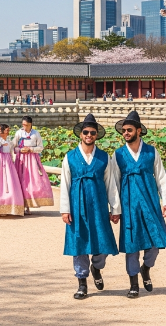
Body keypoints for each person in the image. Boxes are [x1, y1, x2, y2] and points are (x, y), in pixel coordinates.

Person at [109, 111, 166, 298]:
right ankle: (134, 284)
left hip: (150, 202)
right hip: (129, 205)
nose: (125, 133)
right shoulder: (118, 155)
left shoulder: (151, 152)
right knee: (132, 245)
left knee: (155, 242)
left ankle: (146, 267)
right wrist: (115, 208)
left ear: (139, 131)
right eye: (123, 130)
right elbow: (114, 183)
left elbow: (161, 177)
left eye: (129, 130)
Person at [61, 114, 120, 300]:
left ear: (96, 135)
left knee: (103, 243)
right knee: (79, 244)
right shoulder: (69, 157)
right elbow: (65, 184)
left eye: (92, 133)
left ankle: (96, 267)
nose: (89, 135)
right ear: (81, 134)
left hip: (98, 205)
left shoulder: (104, 157)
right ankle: (82, 283)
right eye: (86, 132)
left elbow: (111, 184)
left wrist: (115, 209)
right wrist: (65, 209)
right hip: (77, 206)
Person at [13, 116, 53, 214]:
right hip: (21, 160)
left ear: (30, 124)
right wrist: (20, 150)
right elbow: (14, 147)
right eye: (23, 124)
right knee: (20, 181)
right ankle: (20, 206)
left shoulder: (36, 134)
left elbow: (40, 147)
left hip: (32, 160)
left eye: (26, 125)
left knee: (31, 182)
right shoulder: (18, 133)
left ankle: (29, 205)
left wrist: (31, 149)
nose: (24, 126)